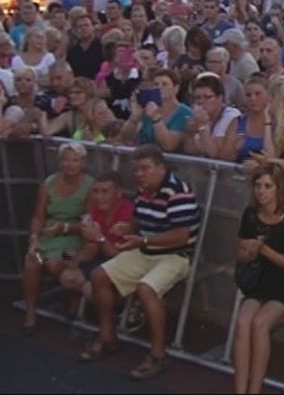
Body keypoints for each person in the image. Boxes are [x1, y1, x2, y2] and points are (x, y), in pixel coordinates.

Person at [84, 145, 201, 380]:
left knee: (145, 289)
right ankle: (107, 336)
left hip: (173, 254)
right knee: (96, 276)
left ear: (161, 167)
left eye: (145, 168)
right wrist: (130, 227)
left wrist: (139, 239)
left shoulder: (177, 191)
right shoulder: (142, 190)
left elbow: (181, 235)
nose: (139, 174)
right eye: (136, 169)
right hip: (134, 249)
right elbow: (138, 221)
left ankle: (158, 355)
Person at [233, 163, 284, 395]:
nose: (261, 191)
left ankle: (255, 390)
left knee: (260, 324)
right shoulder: (250, 215)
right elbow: (239, 254)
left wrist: (264, 250)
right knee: (243, 323)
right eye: (257, 185)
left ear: (278, 189)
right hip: (260, 280)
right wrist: (249, 252)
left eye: (267, 186)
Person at [22, 142, 95, 334]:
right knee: (33, 262)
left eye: (75, 160)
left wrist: (64, 228)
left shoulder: (89, 186)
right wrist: (34, 239)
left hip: (73, 237)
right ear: (59, 161)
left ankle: (73, 304)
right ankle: (30, 313)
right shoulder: (49, 183)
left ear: (82, 162)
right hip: (47, 241)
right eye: (66, 160)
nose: (70, 164)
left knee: (58, 264)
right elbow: (38, 216)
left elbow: (89, 224)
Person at [57, 172, 134, 305]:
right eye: (95, 192)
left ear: (118, 193)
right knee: (67, 277)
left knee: (90, 290)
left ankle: (126, 306)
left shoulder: (128, 213)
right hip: (102, 260)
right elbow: (91, 248)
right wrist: (78, 257)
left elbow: (120, 257)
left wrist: (99, 237)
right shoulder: (96, 212)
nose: (99, 197)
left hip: (125, 264)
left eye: (105, 192)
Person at [121, 68, 193, 152]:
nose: (159, 87)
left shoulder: (185, 113)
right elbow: (125, 137)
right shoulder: (147, 109)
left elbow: (169, 145)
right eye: (156, 84)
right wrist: (134, 116)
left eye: (164, 84)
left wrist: (156, 118)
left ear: (176, 88)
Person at [184, 73, 241, 159]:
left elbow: (215, 154)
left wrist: (202, 127)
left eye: (207, 97)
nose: (201, 102)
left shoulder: (231, 116)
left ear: (220, 98)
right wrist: (190, 134)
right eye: (197, 98)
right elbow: (189, 150)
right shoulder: (196, 115)